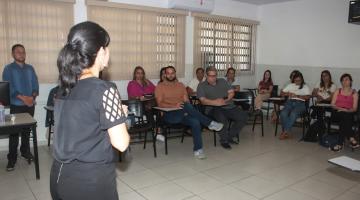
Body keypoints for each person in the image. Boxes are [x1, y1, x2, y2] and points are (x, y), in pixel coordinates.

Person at [50, 21, 130, 200]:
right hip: (90, 182)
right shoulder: (105, 88)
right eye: (107, 48)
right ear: (101, 51)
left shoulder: (63, 88)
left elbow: (83, 125)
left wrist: (113, 116)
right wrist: (120, 117)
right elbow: (121, 143)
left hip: (58, 176)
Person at [155, 66, 224, 159]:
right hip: (169, 115)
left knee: (195, 121)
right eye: (168, 73)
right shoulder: (160, 87)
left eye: (172, 73)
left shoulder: (181, 85)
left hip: (182, 112)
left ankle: (198, 150)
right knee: (187, 107)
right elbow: (160, 103)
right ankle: (210, 123)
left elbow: (186, 101)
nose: (170, 75)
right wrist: (174, 106)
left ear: (175, 74)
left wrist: (187, 111)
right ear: (165, 74)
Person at [2, 44, 39, 171]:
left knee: (26, 131)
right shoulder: (8, 69)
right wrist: (24, 98)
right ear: (13, 54)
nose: (21, 54)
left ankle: (25, 151)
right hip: (16, 105)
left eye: (23, 52)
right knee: (14, 133)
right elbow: (9, 88)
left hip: (30, 105)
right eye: (18, 52)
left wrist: (32, 97)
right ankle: (12, 158)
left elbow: (35, 84)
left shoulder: (30, 68)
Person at [197, 67, 248, 149]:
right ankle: (224, 140)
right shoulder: (201, 86)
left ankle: (229, 136)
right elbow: (203, 100)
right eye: (211, 76)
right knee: (222, 118)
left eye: (215, 75)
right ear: (206, 75)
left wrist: (226, 100)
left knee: (243, 117)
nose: (213, 78)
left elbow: (231, 92)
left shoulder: (222, 81)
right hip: (212, 108)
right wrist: (215, 103)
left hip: (228, 105)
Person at [330, 73, 359, 151]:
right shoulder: (338, 91)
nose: (344, 81)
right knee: (345, 116)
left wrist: (346, 110)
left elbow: (355, 108)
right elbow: (332, 104)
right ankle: (351, 137)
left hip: (348, 112)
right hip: (337, 112)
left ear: (351, 81)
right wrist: (341, 109)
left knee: (344, 118)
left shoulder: (354, 93)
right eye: (343, 80)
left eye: (346, 80)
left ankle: (339, 144)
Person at [279, 71, 311, 140]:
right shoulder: (290, 85)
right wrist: (288, 94)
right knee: (283, 113)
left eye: (299, 80)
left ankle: (285, 132)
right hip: (290, 102)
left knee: (293, 114)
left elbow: (308, 97)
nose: (297, 82)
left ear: (302, 80)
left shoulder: (305, 86)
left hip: (300, 104)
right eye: (295, 80)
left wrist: (298, 96)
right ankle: (288, 132)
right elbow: (281, 93)